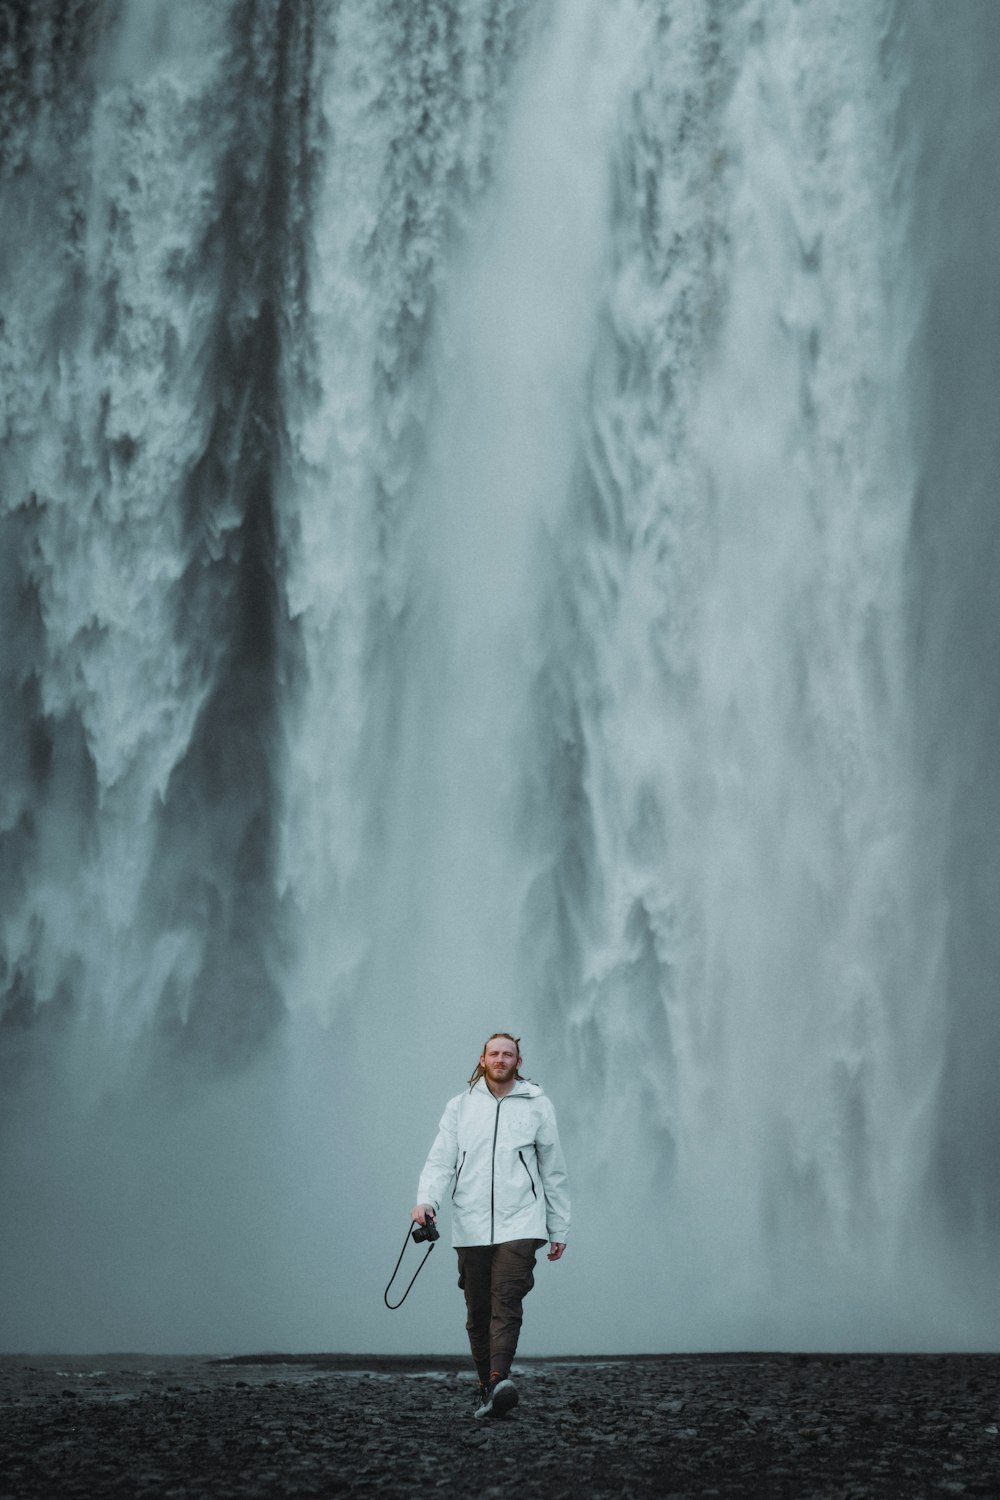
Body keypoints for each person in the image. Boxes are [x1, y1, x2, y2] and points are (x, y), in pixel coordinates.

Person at [411, 1031, 570, 1419]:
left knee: (507, 1300)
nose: (501, 1059)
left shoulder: (537, 1104)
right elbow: (440, 1160)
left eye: (508, 1054)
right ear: (482, 1060)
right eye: (494, 1053)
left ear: (519, 1061)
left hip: (522, 1221)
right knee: (477, 1309)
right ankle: (487, 1387)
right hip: (471, 1221)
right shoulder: (460, 1106)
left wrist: (558, 1226)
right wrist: (427, 1201)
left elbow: (553, 1169)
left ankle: (499, 1378)